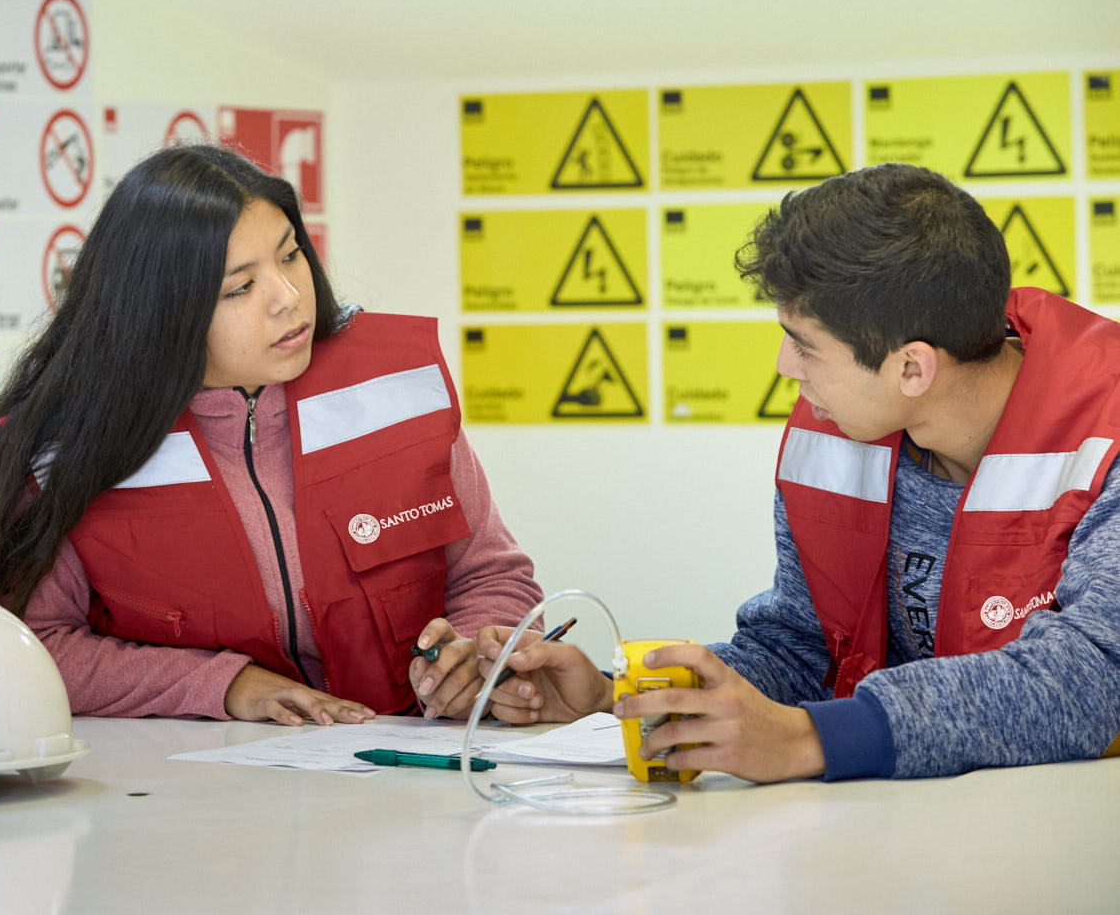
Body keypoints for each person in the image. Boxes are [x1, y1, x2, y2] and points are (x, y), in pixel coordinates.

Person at [476, 163, 1120, 781]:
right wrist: (624, 698)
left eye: (806, 344)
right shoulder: (838, 433)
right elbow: (800, 652)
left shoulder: (1107, 434)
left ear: (912, 369)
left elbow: (1096, 675)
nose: (787, 365)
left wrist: (808, 739)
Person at [0, 145, 541, 727]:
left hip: (414, 765)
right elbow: (32, 646)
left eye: (291, 257)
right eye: (240, 288)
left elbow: (491, 574)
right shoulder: (61, 452)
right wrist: (220, 684)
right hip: (191, 792)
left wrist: (474, 659)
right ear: (162, 311)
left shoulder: (392, 388)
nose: (289, 297)